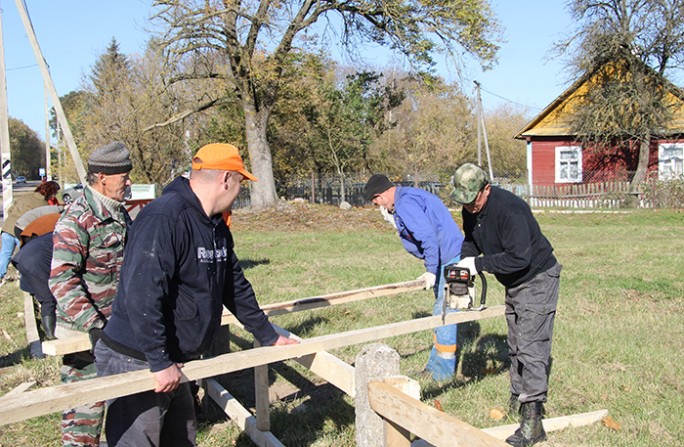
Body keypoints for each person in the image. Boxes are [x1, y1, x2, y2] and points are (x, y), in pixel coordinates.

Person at [95, 142, 298, 446]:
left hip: (173, 358)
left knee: (181, 439)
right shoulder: (164, 217)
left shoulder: (214, 224)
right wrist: (159, 361)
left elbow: (234, 285)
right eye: (240, 182)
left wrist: (266, 333)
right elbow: (142, 294)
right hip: (137, 357)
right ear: (225, 179)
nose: (239, 191)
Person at [451, 163, 562, 447]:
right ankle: (518, 399)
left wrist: (479, 264)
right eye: (463, 200)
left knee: (531, 346)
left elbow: (519, 258)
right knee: (515, 342)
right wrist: (465, 264)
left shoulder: (509, 211)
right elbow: (472, 242)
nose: (469, 206)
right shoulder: (471, 207)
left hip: (536, 276)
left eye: (473, 199)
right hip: (513, 282)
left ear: (486, 189)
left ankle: (533, 421)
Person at [49, 141, 133, 447]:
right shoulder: (77, 219)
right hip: (86, 335)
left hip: (119, 330)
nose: (128, 182)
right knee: (84, 420)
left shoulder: (120, 214)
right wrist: (95, 327)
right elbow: (61, 280)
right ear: (102, 177)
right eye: (123, 176)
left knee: (125, 413)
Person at [363, 174, 464, 381]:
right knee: (442, 309)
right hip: (452, 254)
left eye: (376, 202)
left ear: (380, 195)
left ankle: (442, 375)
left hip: (452, 259)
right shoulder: (408, 197)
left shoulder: (406, 204)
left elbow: (428, 238)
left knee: (446, 312)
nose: (379, 207)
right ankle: (434, 367)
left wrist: (431, 271)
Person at [0, 180, 60, 286]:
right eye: (54, 193)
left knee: (5, 254)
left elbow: (10, 210)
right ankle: (24, 278)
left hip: (7, 228)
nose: (54, 196)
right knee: (25, 256)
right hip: (22, 230)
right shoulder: (43, 204)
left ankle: (0, 275)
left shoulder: (25, 197)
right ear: (50, 192)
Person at [12, 232, 59, 340]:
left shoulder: (63, 231)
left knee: (41, 289)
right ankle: (50, 336)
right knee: (48, 298)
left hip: (25, 256)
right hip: (35, 261)